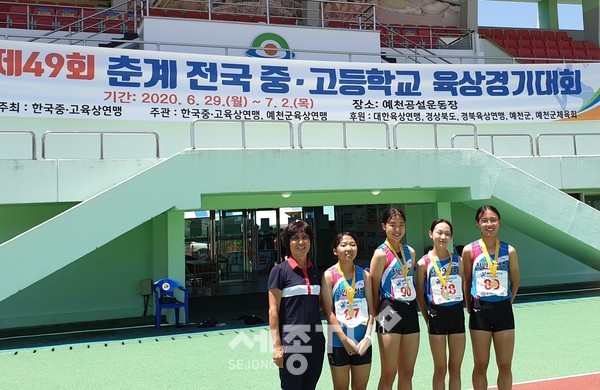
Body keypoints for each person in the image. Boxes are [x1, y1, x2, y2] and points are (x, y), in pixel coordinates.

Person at [462, 205, 520, 390]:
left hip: (503, 310)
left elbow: (515, 282)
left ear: (499, 222)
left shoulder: (509, 250)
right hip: (480, 311)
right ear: (478, 223)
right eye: (485, 220)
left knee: (505, 365)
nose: (489, 224)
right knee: (480, 365)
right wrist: (471, 305)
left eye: (493, 219)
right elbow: (466, 281)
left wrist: (506, 302)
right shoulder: (469, 250)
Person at [267, 220, 325, 390]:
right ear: (288, 242)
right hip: (292, 340)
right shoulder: (279, 271)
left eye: (305, 237)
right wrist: (277, 346)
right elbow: (273, 311)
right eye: (295, 238)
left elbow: (319, 305)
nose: (301, 242)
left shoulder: (315, 271)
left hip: (316, 339)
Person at [369, 207, 420, 389]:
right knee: (389, 372)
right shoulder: (380, 253)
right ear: (384, 226)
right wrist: (376, 317)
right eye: (392, 225)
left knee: (408, 371)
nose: (397, 229)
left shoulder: (410, 252)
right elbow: (374, 289)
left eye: (401, 225)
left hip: (410, 309)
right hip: (387, 309)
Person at [321, 232, 375, 390]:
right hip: (338, 343)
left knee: (360, 387)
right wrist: (345, 340)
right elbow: (328, 313)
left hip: (362, 342)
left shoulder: (364, 275)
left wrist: (368, 338)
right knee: (340, 387)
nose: (348, 248)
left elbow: (372, 310)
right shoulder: (329, 276)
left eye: (352, 244)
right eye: (343, 245)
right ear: (335, 250)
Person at [416, 219, 466, 390]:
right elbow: (419, 295)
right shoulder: (423, 263)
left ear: (451, 237)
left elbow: (464, 287)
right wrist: (426, 317)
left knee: (455, 369)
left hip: (457, 316)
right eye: (439, 232)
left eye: (447, 234)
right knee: (440, 369)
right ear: (431, 234)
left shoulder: (458, 261)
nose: (443, 236)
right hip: (436, 317)